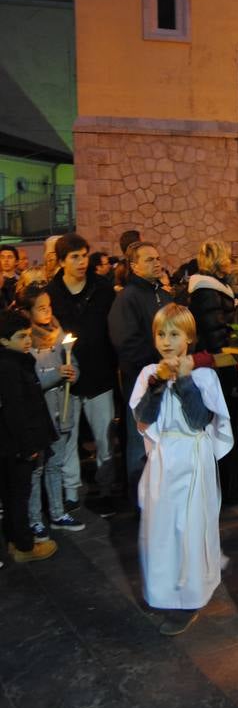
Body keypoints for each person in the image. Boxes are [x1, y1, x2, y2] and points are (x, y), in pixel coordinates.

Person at [130, 304, 233, 636]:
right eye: (161, 334)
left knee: (189, 524)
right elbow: (144, 417)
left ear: (189, 337)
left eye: (174, 334)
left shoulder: (204, 375)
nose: (166, 341)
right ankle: (163, 588)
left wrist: (184, 379)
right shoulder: (148, 373)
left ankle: (190, 595)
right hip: (164, 457)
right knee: (160, 524)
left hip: (192, 455)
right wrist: (159, 384)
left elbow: (199, 419)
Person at [48, 233, 118, 517]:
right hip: (68, 378)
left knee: (104, 436)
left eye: (83, 255)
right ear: (62, 261)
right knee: (68, 437)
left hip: (100, 374)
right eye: (74, 257)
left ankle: (106, 488)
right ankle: (71, 490)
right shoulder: (51, 294)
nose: (80, 261)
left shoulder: (102, 289)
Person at [17, 284, 86, 538]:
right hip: (38, 415)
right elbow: (27, 380)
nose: (48, 312)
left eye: (49, 306)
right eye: (41, 308)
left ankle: (57, 513)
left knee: (56, 464)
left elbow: (73, 364)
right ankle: (35, 518)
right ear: (27, 312)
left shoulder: (58, 334)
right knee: (36, 469)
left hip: (61, 410)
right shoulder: (23, 338)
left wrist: (72, 373)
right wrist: (54, 375)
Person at [108, 241, 173, 504]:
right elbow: (126, 341)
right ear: (133, 265)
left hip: (168, 378)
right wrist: (156, 367)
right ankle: (140, 500)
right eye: (149, 260)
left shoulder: (163, 294)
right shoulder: (127, 298)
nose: (157, 263)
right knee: (141, 440)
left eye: (158, 258)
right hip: (143, 382)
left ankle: (162, 495)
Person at [0, 309, 58, 563]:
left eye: (28, 335)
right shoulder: (10, 366)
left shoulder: (14, 361)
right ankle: (23, 546)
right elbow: (16, 410)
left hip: (13, 443)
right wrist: (28, 446)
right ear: (4, 340)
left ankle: (16, 539)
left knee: (14, 494)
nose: (27, 340)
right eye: (21, 336)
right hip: (16, 445)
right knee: (18, 494)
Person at [187, 240, 236, 353]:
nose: (231, 262)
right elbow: (214, 333)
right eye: (228, 257)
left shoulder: (215, 285)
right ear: (219, 261)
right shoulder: (207, 290)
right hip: (213, 358)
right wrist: (225, 359)